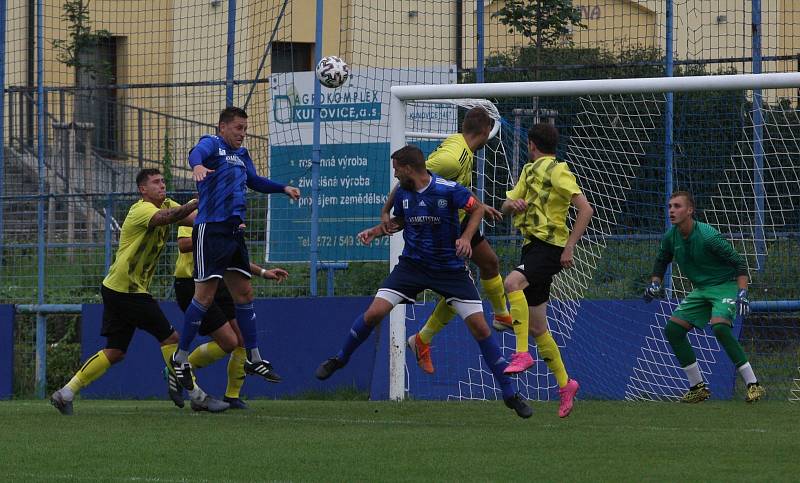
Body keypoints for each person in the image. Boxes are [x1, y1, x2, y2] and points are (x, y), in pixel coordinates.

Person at [315, 145, 533, 419]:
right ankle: (340, 358)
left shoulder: (447, 189)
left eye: (396, 169)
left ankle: (511, 393)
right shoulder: (404, 193)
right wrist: (377, 231)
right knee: (375, 312)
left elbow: (476, 208)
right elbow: (401, 221)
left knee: (481, 329)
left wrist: (466, 238)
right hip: (412, 267)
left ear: (408, 168)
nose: (395, 175)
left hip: (449, 269)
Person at [50, 169, 229, 415]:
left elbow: (195, 219)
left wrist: (218, 212)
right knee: (172, 339)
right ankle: (197, 396)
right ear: (142, 190)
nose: (161, 185)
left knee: (115, 351)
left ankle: (65, 393)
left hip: (118, 288)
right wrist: (195, 201)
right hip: (128, 291)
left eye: (163, 181)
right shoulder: (141, 209)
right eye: (155, 182)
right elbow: (167, 217)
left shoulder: (166, 203)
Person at [171, 106, 300, 390]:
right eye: (238, 128)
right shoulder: (212, 144)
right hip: (212, 229)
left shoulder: (241, 156)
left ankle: (254, 357)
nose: (243, 134)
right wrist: (197, 166)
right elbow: (196, 153)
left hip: (233, 231)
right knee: (204, 298)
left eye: (245, 128)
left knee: (245, 293)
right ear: (223, 127)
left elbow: (254, 181)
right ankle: (180, 358)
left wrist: (282, 188)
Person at [382, 107, 518, 375]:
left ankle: (500, 315)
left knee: (490, 263)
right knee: (458, 289)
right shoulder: (453, 158)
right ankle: (423, 338)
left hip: (460, 217)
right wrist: (386, 210)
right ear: (485, 131)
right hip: (444, 225)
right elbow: (412, 178)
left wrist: (479, 205)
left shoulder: (460, 147)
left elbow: (451, 185)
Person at [499, 123, 593, 417]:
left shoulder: (557, 170)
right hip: (532, 248)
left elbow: (586, 209)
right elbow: (503, 206)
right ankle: (566, 385)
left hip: (550, 247)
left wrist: (570, 247)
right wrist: (511, 205)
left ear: (530, 145)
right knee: (539, 326)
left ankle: (521, 352)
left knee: (512, 282)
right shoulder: (528, 172)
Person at [644, 191, 766, 403]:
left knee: (719, 326)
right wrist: (655, 283)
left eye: (677, 206)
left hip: (725, 285)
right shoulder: (670, 237)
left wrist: (742, 293)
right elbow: (662, 260)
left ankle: (754, 385)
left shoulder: (708, 236)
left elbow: (739, 264)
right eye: (670, 206)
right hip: (702, 289)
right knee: (673, 330)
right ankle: (698, 388)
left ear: (690, 210)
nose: (672, 210)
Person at [167, 224, 289, 409]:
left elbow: (230, 257)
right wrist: (216, 233)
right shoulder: (199, 209)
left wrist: (263, 272)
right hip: (192, 283)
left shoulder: (230, 213)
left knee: (241, 338)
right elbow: (184, 244)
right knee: (229, 342)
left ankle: (232, 396)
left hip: (219, 279)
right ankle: (181, 366)